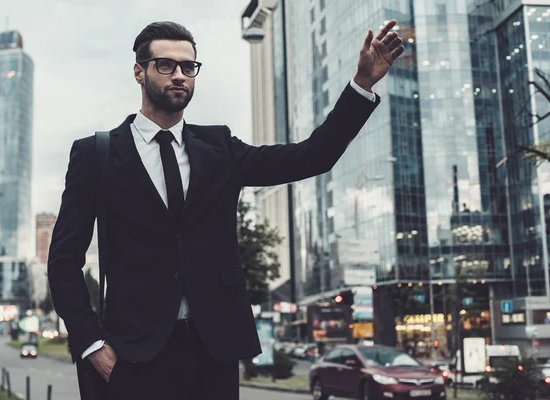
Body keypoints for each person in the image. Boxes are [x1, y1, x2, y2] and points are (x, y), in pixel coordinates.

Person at [48, 20, 404, 399]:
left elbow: (312, 156)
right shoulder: (96, 154)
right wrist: (91, 344)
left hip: (213, 351)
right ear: (139, 71)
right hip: (132, 354)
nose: (180, 75)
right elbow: (64, 260)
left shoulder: (218, 148)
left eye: (188, 67)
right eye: (166, 65)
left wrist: (361, 86)